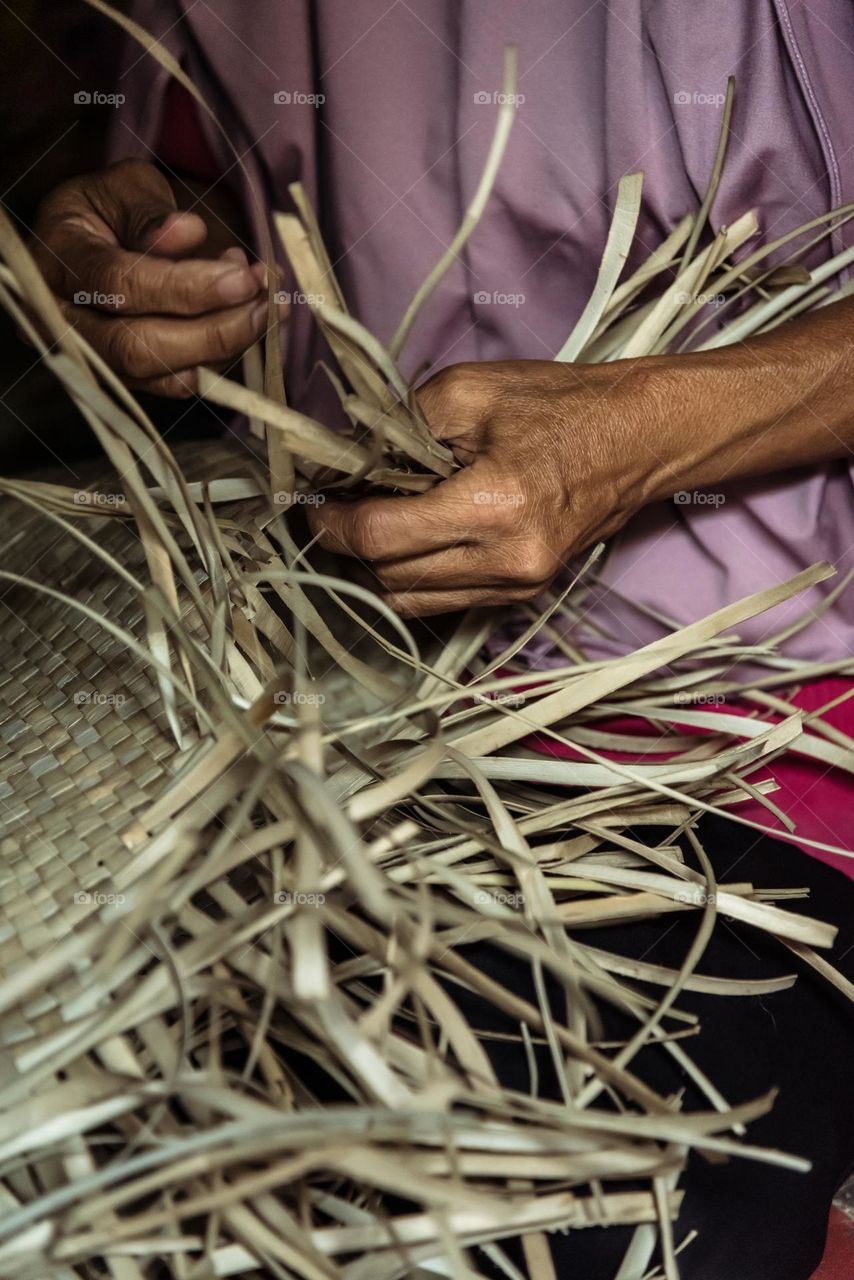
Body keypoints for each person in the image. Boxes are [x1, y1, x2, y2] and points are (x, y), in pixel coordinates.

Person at [24, 3, 854, 1276]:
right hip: (315, 655)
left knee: (553, 1233)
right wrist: (167, 256)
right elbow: (252, 167)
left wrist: (653, 429)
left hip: (747, 698)